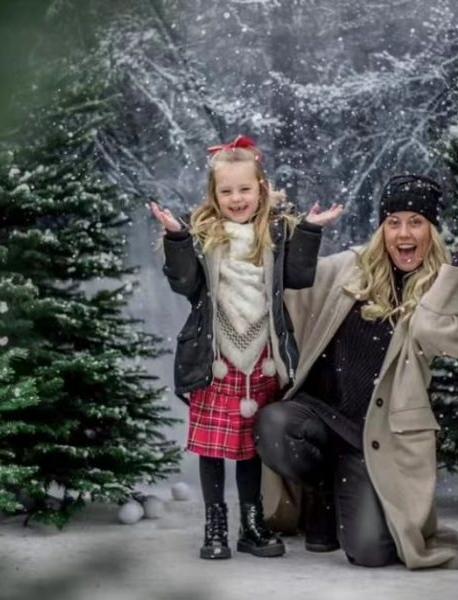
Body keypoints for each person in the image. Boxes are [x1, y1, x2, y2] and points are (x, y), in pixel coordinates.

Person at [254, 174, 458, 568]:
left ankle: (344, 496)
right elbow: (288, 287)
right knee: (274, 424)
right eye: (393, 222)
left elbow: (443, 338)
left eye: (416, 222)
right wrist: (276, 218)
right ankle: (324, 491)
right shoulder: (349, 268)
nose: (403, 233)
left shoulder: (443, 286)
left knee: (372, 552)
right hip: (319, 416)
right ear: (382, 229)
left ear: (431, 229)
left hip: (373, 437)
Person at [149, 135, 343, 560]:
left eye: (244, 189)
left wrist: (309, 230)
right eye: (226, 191)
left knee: (249, 446)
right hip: (215, 354)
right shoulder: (202, 235)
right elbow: (185, 284)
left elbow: (297, 277)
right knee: (213, 447)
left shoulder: (274, 232)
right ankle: (214, 524)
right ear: (213, 195)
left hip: (262, 355)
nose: (236, 199)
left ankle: (251, 524)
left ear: (261, 189)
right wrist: (178, 238)